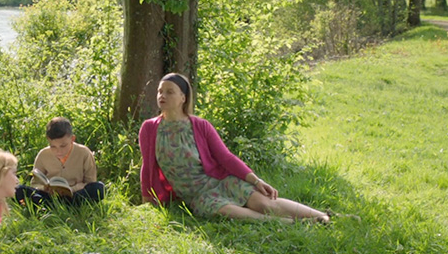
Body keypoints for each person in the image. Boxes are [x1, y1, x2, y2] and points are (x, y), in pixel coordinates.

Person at [140, 73, 340, 223]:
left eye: (169, 91)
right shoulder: (150, 128)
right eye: (160, 91)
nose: (162, 95)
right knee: (228, 211)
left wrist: (256, 180)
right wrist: (147, 199)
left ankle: (326, 216)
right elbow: (147, 167)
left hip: (219, 181)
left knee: (264, 203)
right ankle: (291, 223)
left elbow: (226, 158)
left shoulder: (200, 125)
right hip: (197, 195)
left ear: (183, 98)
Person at [14, 117, 106, 206]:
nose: (59, 151)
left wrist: (71, 189)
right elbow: (35, 183)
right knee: (18, 190)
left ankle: (52, 207)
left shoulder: (84, 153)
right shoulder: (43, 154)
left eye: (63, 146)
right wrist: (45, 188)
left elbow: (90, 182)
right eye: (53, 146)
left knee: (98, 188)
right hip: (50, 196)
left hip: (75, 195)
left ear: (72, 139)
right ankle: (50, 205)